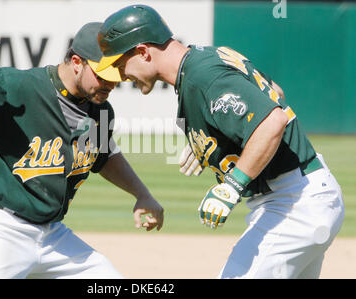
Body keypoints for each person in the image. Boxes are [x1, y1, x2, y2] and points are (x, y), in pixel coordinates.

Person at [94, 4, 345, 279]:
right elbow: (275, 93)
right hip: (303, 196)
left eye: (120, 63)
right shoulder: (208, 58)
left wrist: (232, 185)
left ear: (143, 52)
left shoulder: (202, 77)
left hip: (293, 204)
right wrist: (222, 136)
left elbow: (273, 120)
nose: (119, 75)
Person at [0, 22, 164, 279]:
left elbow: (103, 156)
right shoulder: (17, 86)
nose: (109, 83)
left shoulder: (101, 111)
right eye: (102, 74)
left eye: (115, 75)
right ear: (76, 62)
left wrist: (142, 194)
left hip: (51, 234)